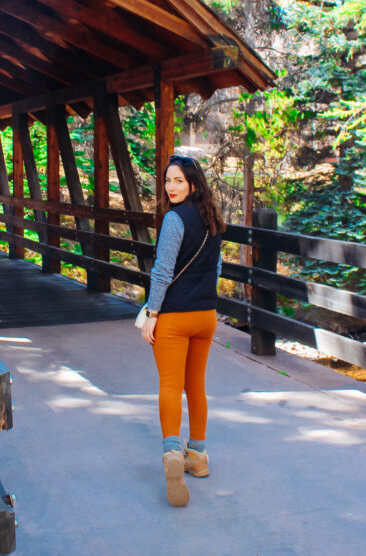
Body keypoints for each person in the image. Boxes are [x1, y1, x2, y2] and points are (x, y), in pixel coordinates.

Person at [140, 154, 225, 507]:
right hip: (206, 316)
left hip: (175, 317)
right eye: (167, 181)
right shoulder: (213, 219)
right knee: (197, 387)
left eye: (177, 181)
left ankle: (173, 453)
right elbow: (216, 266)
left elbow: (162, 271)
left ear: (192, 183)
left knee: (171, 386)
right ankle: (199, 457)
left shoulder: (174, 220)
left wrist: (152, 313)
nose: (171, 187)